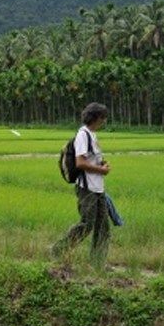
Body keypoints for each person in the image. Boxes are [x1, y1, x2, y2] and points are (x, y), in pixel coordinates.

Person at [51, 102, 112, 265]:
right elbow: (80, 163)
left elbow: (91, 159)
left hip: (97, 187)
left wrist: (102, 164)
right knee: (87, 224)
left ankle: (97, 263)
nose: (104, 121)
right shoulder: (83, 135)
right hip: (87, 188)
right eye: (102, 118)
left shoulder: (92, 135)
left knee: (103, 227)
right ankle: (58, 251)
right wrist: (101, 170)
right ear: (95, 118)